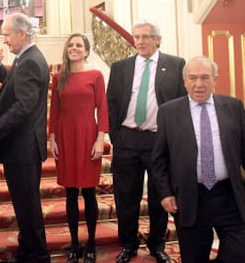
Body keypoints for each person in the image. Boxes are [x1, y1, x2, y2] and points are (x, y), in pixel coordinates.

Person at [0, 12, 50, 262]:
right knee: (25, 205)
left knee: (27, 207)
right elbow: (19, 88)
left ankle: (36, 255)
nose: (4, 40)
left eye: (6, 34)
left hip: (23, 149)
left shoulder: (30, 61)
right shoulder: (26, 59)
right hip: (22, 148)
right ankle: (28, 248)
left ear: (21, 34)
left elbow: (24, 106)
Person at [151, 56, 245, 262]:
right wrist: (165, 193)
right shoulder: (168, 112)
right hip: (190, 198)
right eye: (192, 78)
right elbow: (158, 160)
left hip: (229, 195)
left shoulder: (234, 107)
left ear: (215, 79)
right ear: (184, 81)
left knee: (239, 253)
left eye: (205, 78)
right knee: (195, 258)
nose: (199, 84)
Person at [107, 19, 186, 263]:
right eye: (137, 37)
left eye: (145, 37)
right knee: (126, 196)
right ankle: (128, 244)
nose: (139, 41)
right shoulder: (120, 67)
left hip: (159, 140)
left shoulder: (175, 64)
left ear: (158, 40)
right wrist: (116, 135)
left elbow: (181, 104)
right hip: (127, 138)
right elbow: (111, 102)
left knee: (159, 195)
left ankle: (157, 244)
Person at [48, 33, 109, 263]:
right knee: (71, 193)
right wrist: (52, 138)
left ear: (86, 51)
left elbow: (102, 108)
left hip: (87, 134)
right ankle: (74, 244)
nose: (74, 48)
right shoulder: (58, 77)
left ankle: (91, 243)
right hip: (65, 136)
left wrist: (100, 139)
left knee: (89, 192)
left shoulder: (96, 75)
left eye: (79, 45)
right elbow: (54, 110)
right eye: (71, 45)